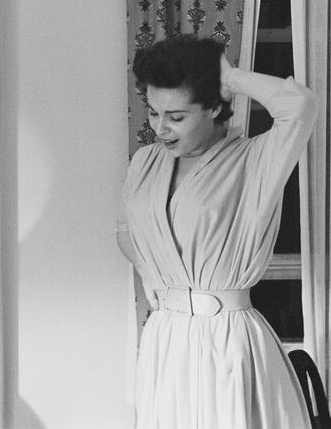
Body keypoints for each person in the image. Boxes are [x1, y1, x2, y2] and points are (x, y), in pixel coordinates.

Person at [117, 35, 317, 428]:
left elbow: (300, 106)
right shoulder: (145, 161)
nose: (160, 128)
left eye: (176, 117)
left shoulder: (255, 160)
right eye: (154, 113)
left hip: (226, 339)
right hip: (165, 338)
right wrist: (152, 274)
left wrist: (228, 77)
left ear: (212, 107)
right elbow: (126, 230)